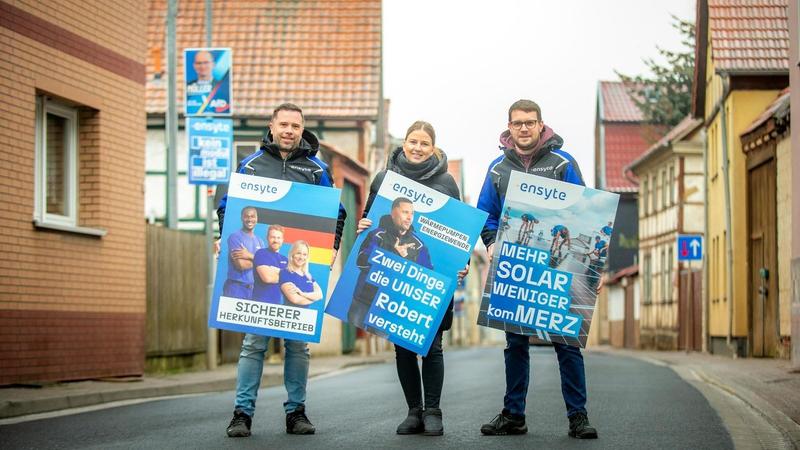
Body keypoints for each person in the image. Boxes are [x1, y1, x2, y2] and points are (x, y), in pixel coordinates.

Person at [217, 103, 346, 438]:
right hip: (260, 272)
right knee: (253, 344)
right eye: (284, 124)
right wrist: (223, 236)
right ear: (271, 126)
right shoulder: (251, 165)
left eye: (296, 126)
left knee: (298, 344)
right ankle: (241, 414)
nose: (290, 131)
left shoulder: (317, 170)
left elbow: (337, 211)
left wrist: (332, 247)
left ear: (303, 130)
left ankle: (296, 413)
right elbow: (227, 205)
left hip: (299, 266)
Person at [476, 100, 598, 439]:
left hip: (557, 267)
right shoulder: (497, 169)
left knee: (566, 341)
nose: (524, 128)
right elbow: (486, 212)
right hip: (515, 268)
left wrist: (590, 268)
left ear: (542, 125)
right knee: (515, 343)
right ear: (509, 128)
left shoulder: (563, 163)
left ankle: (578, 417)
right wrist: (490, 243)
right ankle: (514, 414)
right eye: (518, 123)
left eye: (530, 122)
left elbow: (587, 211)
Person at [353, 121, 466, 437]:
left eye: (424, 143)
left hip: (430, 276)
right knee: (402, 346)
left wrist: (463, 262)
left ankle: (433, 411)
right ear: (404, 143)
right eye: (412, 141)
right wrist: (363, 226)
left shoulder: (446, 182)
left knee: (432, 346)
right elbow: (369, 218)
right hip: (393, 276)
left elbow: (458, 231)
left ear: (434, 148)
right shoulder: (383, 180)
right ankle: (413, 412)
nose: (417, 147)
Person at [348, 197, 432, 328]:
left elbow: (425, 280)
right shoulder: (376, 235)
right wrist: (393, 252)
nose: (410, 217)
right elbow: (361, 262)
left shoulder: (419, 246)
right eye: (405, 212)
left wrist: (404, 258)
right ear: (393, 213)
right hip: (363, 300)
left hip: (392, 307)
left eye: (412, 213)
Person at [223, 207, 264, 299]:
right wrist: (260, 261)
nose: (249, 219)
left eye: (252, 216)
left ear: (257, 219)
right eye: (246, 216)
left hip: (254, 290)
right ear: (242, 218)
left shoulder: (260, 241)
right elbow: (241, 265)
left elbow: (266, 265)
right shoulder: (235, 237)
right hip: (236, 289)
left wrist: (249, 255)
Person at [251, 225, 288, 304]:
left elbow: (291, 281)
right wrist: (284, 275)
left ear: (282, 240)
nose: (276, 240)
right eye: (273, 237)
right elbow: (267, 278)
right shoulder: (261, 253)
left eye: (278, 238)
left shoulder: (285, 259)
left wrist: (276, 272)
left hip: (276, 305)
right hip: (258, 303)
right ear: (267, 238)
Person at [279, 240, 323, 306]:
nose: (301, 257)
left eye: (304, 254)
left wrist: (302, 294)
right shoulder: (285, 273)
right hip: (290, 314)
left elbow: (320, 295)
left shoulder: (308, 276)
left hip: (305, 315)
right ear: (292, 254)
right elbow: (295, 299)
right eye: (298, 253)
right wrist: (313, 298)